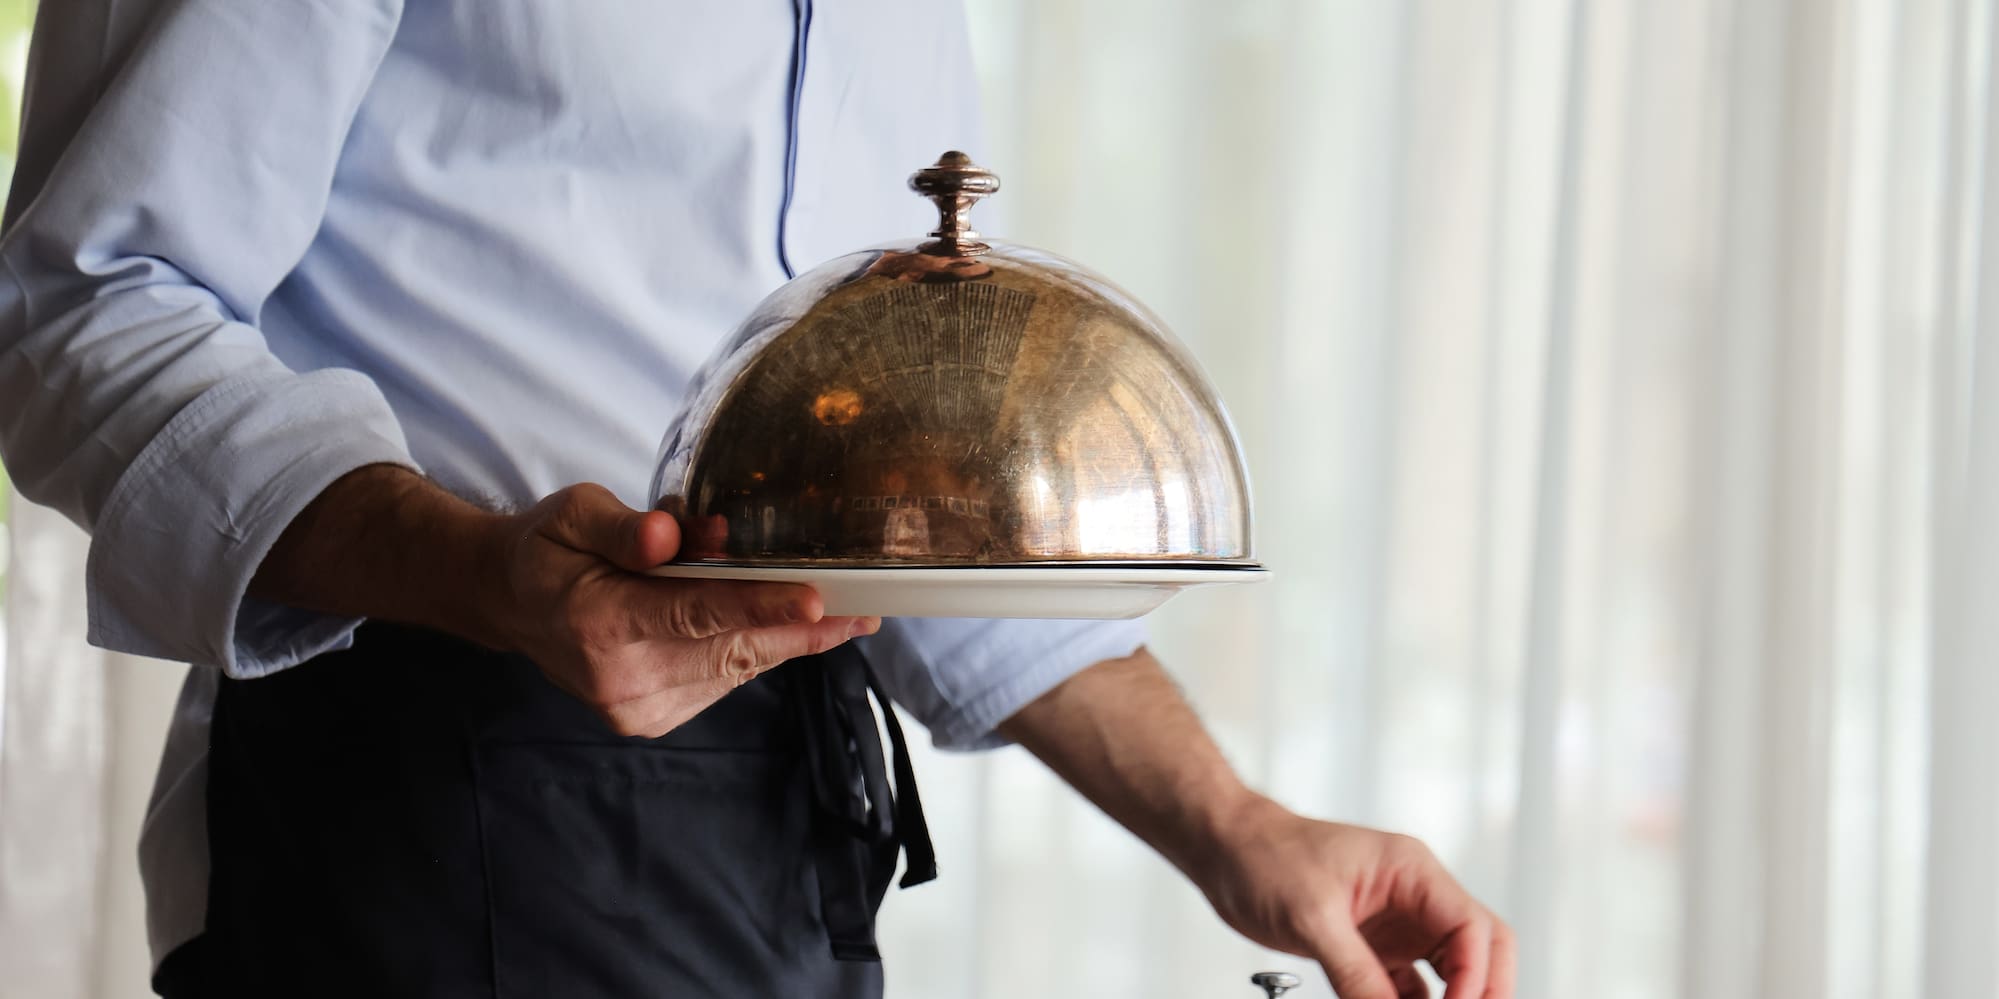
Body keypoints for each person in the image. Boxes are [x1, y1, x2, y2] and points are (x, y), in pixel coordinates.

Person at [0, 2, 1515, 997]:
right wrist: (481, 574)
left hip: (788, 824)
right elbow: (82, 307)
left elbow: (907, 527)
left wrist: (1239, 825)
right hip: (426, 804)